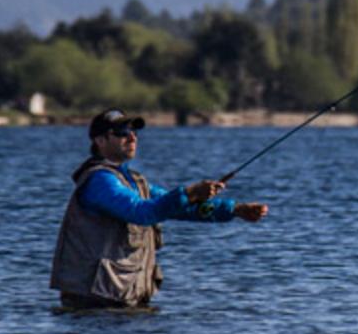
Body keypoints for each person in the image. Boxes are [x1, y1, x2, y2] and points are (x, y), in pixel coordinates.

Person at [50, 108, 268, 309]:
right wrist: (191, 192)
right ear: (100, 140)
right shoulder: (99, 181)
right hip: (93, 304)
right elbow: (141, 212)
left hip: (118, 300)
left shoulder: (134, 181)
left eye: (133, 130)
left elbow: (179, 208)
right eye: (122, 131)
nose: (132, 136)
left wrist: (234, 210)